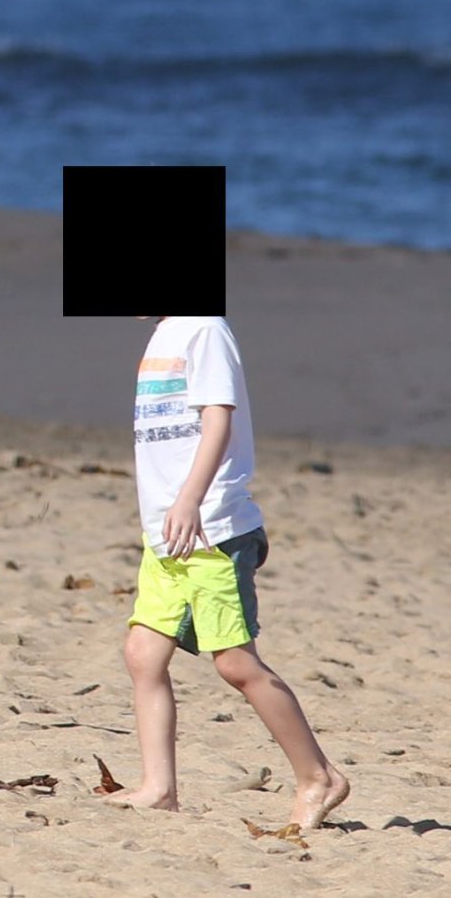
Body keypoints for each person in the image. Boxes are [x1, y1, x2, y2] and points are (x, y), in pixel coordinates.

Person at [107, 315, 350, 829]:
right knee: (143, 654)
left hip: (212, 529)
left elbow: (218, 420)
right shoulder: (165, 333)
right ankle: (159, 788)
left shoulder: (205, 329)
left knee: (237, 663)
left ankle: (319, 776)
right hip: (165, 534)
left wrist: (190, 499)